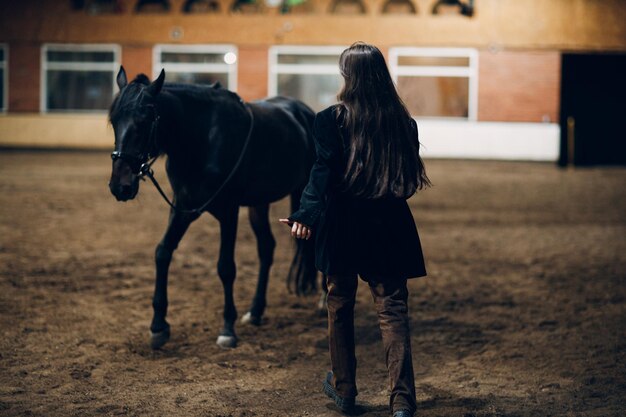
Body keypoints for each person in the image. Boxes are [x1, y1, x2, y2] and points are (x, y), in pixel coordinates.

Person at [279, 42, 431, 417]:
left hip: (343, 225)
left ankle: (345, 391)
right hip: (390, 226)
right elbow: (410, 182)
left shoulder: (330, 119)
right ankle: (402, 401)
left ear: (348, 77)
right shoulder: (403, 123)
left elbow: (322, 174)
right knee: (392, 312)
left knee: (339, 305)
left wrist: (305, 216)